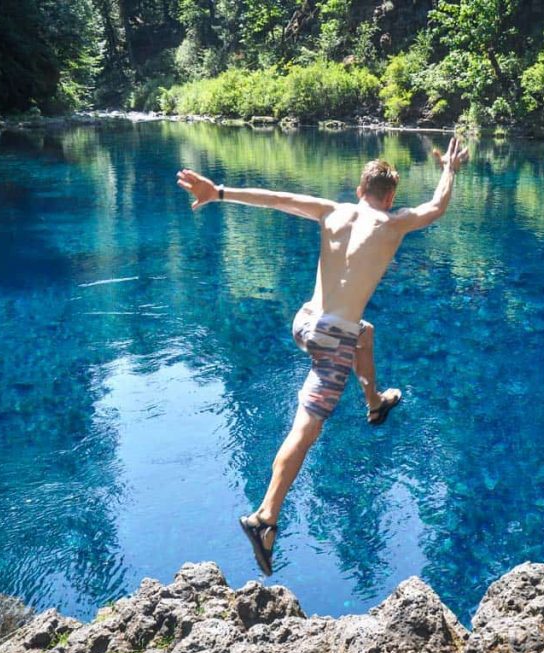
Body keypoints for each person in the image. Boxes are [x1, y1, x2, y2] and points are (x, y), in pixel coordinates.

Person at [176, 136, 469, 575]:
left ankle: (375, 403)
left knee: (363, 333)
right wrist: (449, 168)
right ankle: (265, 518)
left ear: (358, 190)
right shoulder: (394, 223)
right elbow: (438, 205)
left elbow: (275, 199)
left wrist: (217, 192)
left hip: (305, 324)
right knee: (306, 429)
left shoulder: (334, 211)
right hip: (331, 343)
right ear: (390, 197)